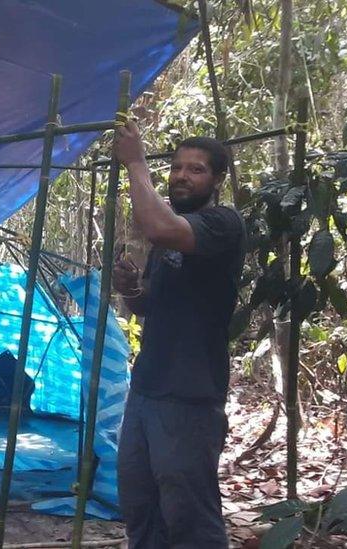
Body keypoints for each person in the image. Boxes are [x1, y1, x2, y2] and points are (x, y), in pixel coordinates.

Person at [111, 119, 245, 548]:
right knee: (141, 507)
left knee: (189, 515)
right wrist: (131, 287)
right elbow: (148, 304)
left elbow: (160, 228)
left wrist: (135, 162)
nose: (182, 176)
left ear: (218, 180)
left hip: (189, 395)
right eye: (177, 168)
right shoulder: (173, 231)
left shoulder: (221, 224)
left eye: (196, 169)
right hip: (147, 390)